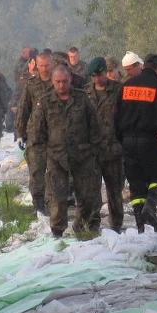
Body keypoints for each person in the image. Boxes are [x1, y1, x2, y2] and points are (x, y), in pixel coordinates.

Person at [30, 65, 102, 238]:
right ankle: (57, 231)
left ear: (70, 80)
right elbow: (37, 132)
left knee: (86, 196)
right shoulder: (45, 102)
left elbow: (94, 125)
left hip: (82, 155)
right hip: (56, 157)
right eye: (58, 82)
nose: (61, 85)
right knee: (57, 198)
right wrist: (41, 156)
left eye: (64, 81)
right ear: (52, 81)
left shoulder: (82, 99)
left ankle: (82, 227)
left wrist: (93, 150)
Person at [115, 52, 157, 232]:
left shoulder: (126, 86)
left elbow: (117, 116)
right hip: (150, 141)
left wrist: (122, 140)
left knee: (136, 186)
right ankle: (150, 207)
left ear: (143, 66)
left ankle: (141, 227)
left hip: (128, 141)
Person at [85, 57, 125, 231]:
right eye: (93, 76)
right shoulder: (85, 93)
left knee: (115, 191)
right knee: (92, 191)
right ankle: (93, 223)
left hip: (113, 149)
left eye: (99, 75)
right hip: (92, 151)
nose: (96, 79)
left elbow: (126, 116)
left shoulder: (118, 90)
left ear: (105, 72)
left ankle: (116, 224)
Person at [15, 50, 56, 215]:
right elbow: (23, 109)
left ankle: (54, 204)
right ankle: (38, 206)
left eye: (47, 65)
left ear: (51, 64)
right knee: (36, 172)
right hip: (36, 135)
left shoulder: (58, 82)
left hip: (56, 135)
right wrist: (20, 133)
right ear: (36, 66)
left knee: (55, 172)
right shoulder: (31, 85)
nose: (44, 69)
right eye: (41, 66)